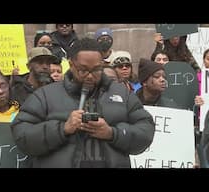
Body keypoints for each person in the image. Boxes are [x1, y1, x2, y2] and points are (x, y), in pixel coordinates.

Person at [11, 37, 155, 168]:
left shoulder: (122, 94)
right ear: (71, 65)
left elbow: (146, 130)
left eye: (97, 70)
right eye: (83, 70)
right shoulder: (45, 95)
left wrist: (112, 133)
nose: (90, 76)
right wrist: (62, 128)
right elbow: (21, 135)